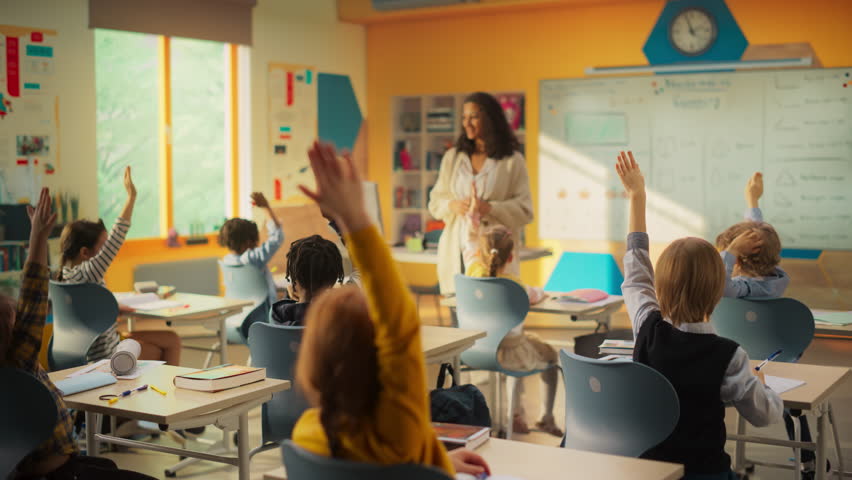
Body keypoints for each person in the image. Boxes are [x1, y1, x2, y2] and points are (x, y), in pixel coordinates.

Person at [291, 140, 490, 477]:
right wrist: (355, 219)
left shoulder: (307, 437)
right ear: (381, 355)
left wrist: (438, 463)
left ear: (312, 360)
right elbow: (398, 320)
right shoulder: (398, 429)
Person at [616, 151, 782, 479]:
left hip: (649, 471)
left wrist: (637, 197)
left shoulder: (647, 328)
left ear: (661, 284)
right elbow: (765, 414)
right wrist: (764, 387)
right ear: (717, 289)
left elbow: (636, 271)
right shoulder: (729, 356)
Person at [1, 187, 156, 480]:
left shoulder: (61, 275)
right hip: (61, 473)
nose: (19, 318)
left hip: (69, 361)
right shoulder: (17, 362)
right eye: (13, 318)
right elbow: (32, 294)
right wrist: (36, 238)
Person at [57, 166, 181, 365]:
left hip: (101, 348)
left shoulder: (67, 275)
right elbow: (117, 237)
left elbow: (91, 306)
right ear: (85, 253)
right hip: (105, 356)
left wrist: (113, 306)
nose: (108, 252)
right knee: (167, 346)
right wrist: (131, 197)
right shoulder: (88, 272)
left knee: (169, 339)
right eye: (103, 247)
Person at [463, 194, 561, 436]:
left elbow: (468, 243)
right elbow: (537, 294)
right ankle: (546, 417)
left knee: (525, 346)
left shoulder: (471, 272)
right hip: (511, 354)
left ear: (481, 253)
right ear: (510, 257)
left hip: (477, 349)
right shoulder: (516, 286)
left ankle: (513, 415)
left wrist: (472, 219)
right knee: (549, 355)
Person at [428, 92, 533, 295]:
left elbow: (525, 209)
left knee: (497, 313)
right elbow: (435, 202)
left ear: (491, 118)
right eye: (464, 117)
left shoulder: (513, 161)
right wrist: (453, 205)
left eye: (474, 117)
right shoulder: (453, 158)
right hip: (457, 249)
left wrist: (491, 208)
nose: (467, 123)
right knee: (460, 316)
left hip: (495, 254)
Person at [715, 172, 789, 299]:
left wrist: (732, 251)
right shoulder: (776, 279)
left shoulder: (745, 288)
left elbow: (717, 284)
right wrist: (752, 200)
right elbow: (760, 238)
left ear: (736, 261)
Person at [219, 191, 284, 308]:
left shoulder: (227, 261)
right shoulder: (252, 259)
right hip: (263, 315)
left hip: (238, 315)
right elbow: (277, 237)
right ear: (249, 242)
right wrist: (266, 207)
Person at [270, 234, 344, 326]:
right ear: (332, 281)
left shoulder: (278, 313)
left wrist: (290, 296)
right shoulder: (337, 317)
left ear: (294, 277)